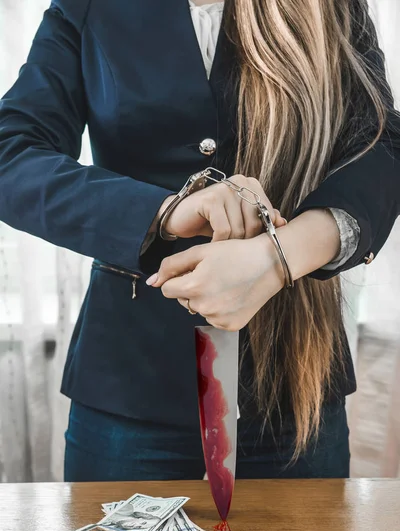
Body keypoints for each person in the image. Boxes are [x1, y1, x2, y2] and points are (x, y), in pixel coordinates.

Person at [0, 0, 399, 481]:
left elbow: (380, 144)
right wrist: (164, 211)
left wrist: (280, 258)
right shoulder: (88, 6)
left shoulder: (331, 7)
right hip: (130, 391)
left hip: (296, 392)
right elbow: (12, 155)